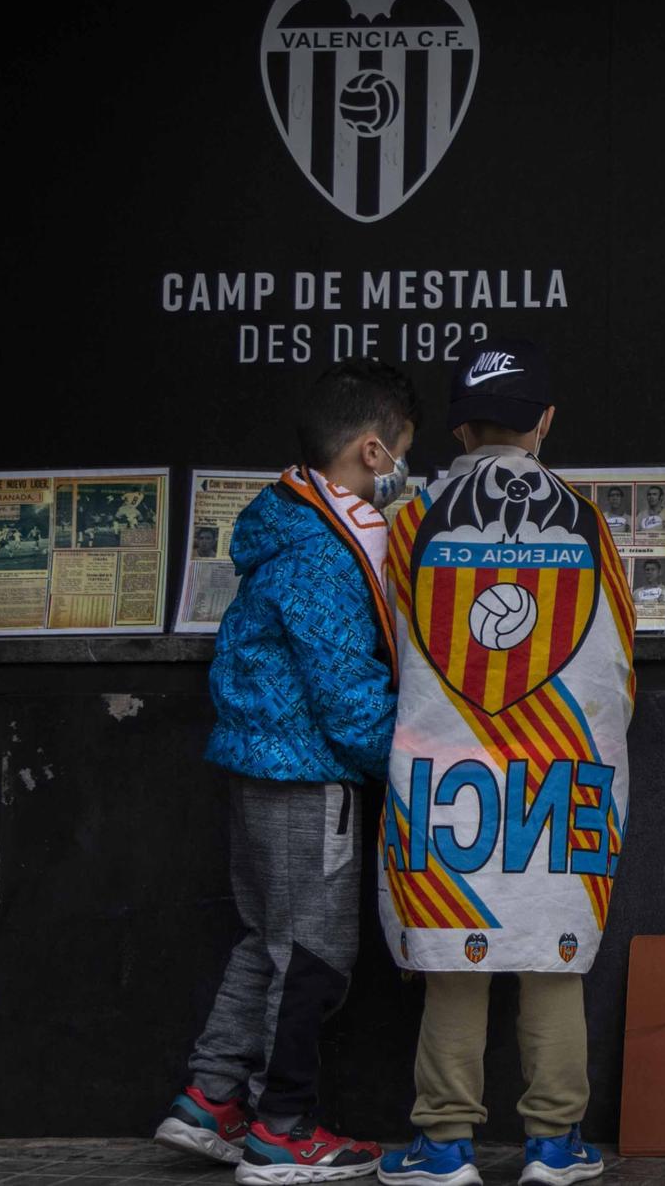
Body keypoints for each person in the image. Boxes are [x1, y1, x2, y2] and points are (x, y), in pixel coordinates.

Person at [152, 358, 419, 1180]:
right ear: (374, 451)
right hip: (308, 778)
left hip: (260, 769)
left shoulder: (297, 521)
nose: (412, 464)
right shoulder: (328, 551)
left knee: (266, 943)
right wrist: (409, 766)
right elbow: (346, 692)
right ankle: (282, 1128)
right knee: (314, 954)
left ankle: (210, 1100)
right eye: (406, 447)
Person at [377, 340, 633, 1186]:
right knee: (553, 953)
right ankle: (554, 1146)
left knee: (456, 953)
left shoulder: (413, 520)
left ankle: (444, 1145)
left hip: (447, 777)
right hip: (561, 779)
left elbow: (394, 646)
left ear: (456, 427)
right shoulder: (590, 523)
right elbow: (618, 667)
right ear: (545, 423)